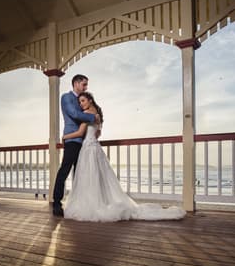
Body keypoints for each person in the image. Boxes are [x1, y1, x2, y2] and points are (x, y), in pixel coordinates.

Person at [63, 92, 186, 222]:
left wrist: (65, 137)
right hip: (95, 147)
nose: (81, 104)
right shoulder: (97, 115)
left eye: (83, 101)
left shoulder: (87, 115)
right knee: (98, 177)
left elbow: (80, 132)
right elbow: (98, 133)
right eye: (80, 102)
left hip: (88, 149)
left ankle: (91, 205)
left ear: (90, 100)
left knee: (89, 177)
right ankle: (99, 203)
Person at [52, 74, 100, 216]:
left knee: (80, 173)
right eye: (84, 84)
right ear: (76, 83)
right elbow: (73, 114)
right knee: (65, 170)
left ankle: (79, 203)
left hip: (84, 142)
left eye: (86, 85)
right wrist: (93, 117)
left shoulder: (83, 100)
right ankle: (56, 202)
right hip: (72, 139)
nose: (86, 87)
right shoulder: (66, 97)